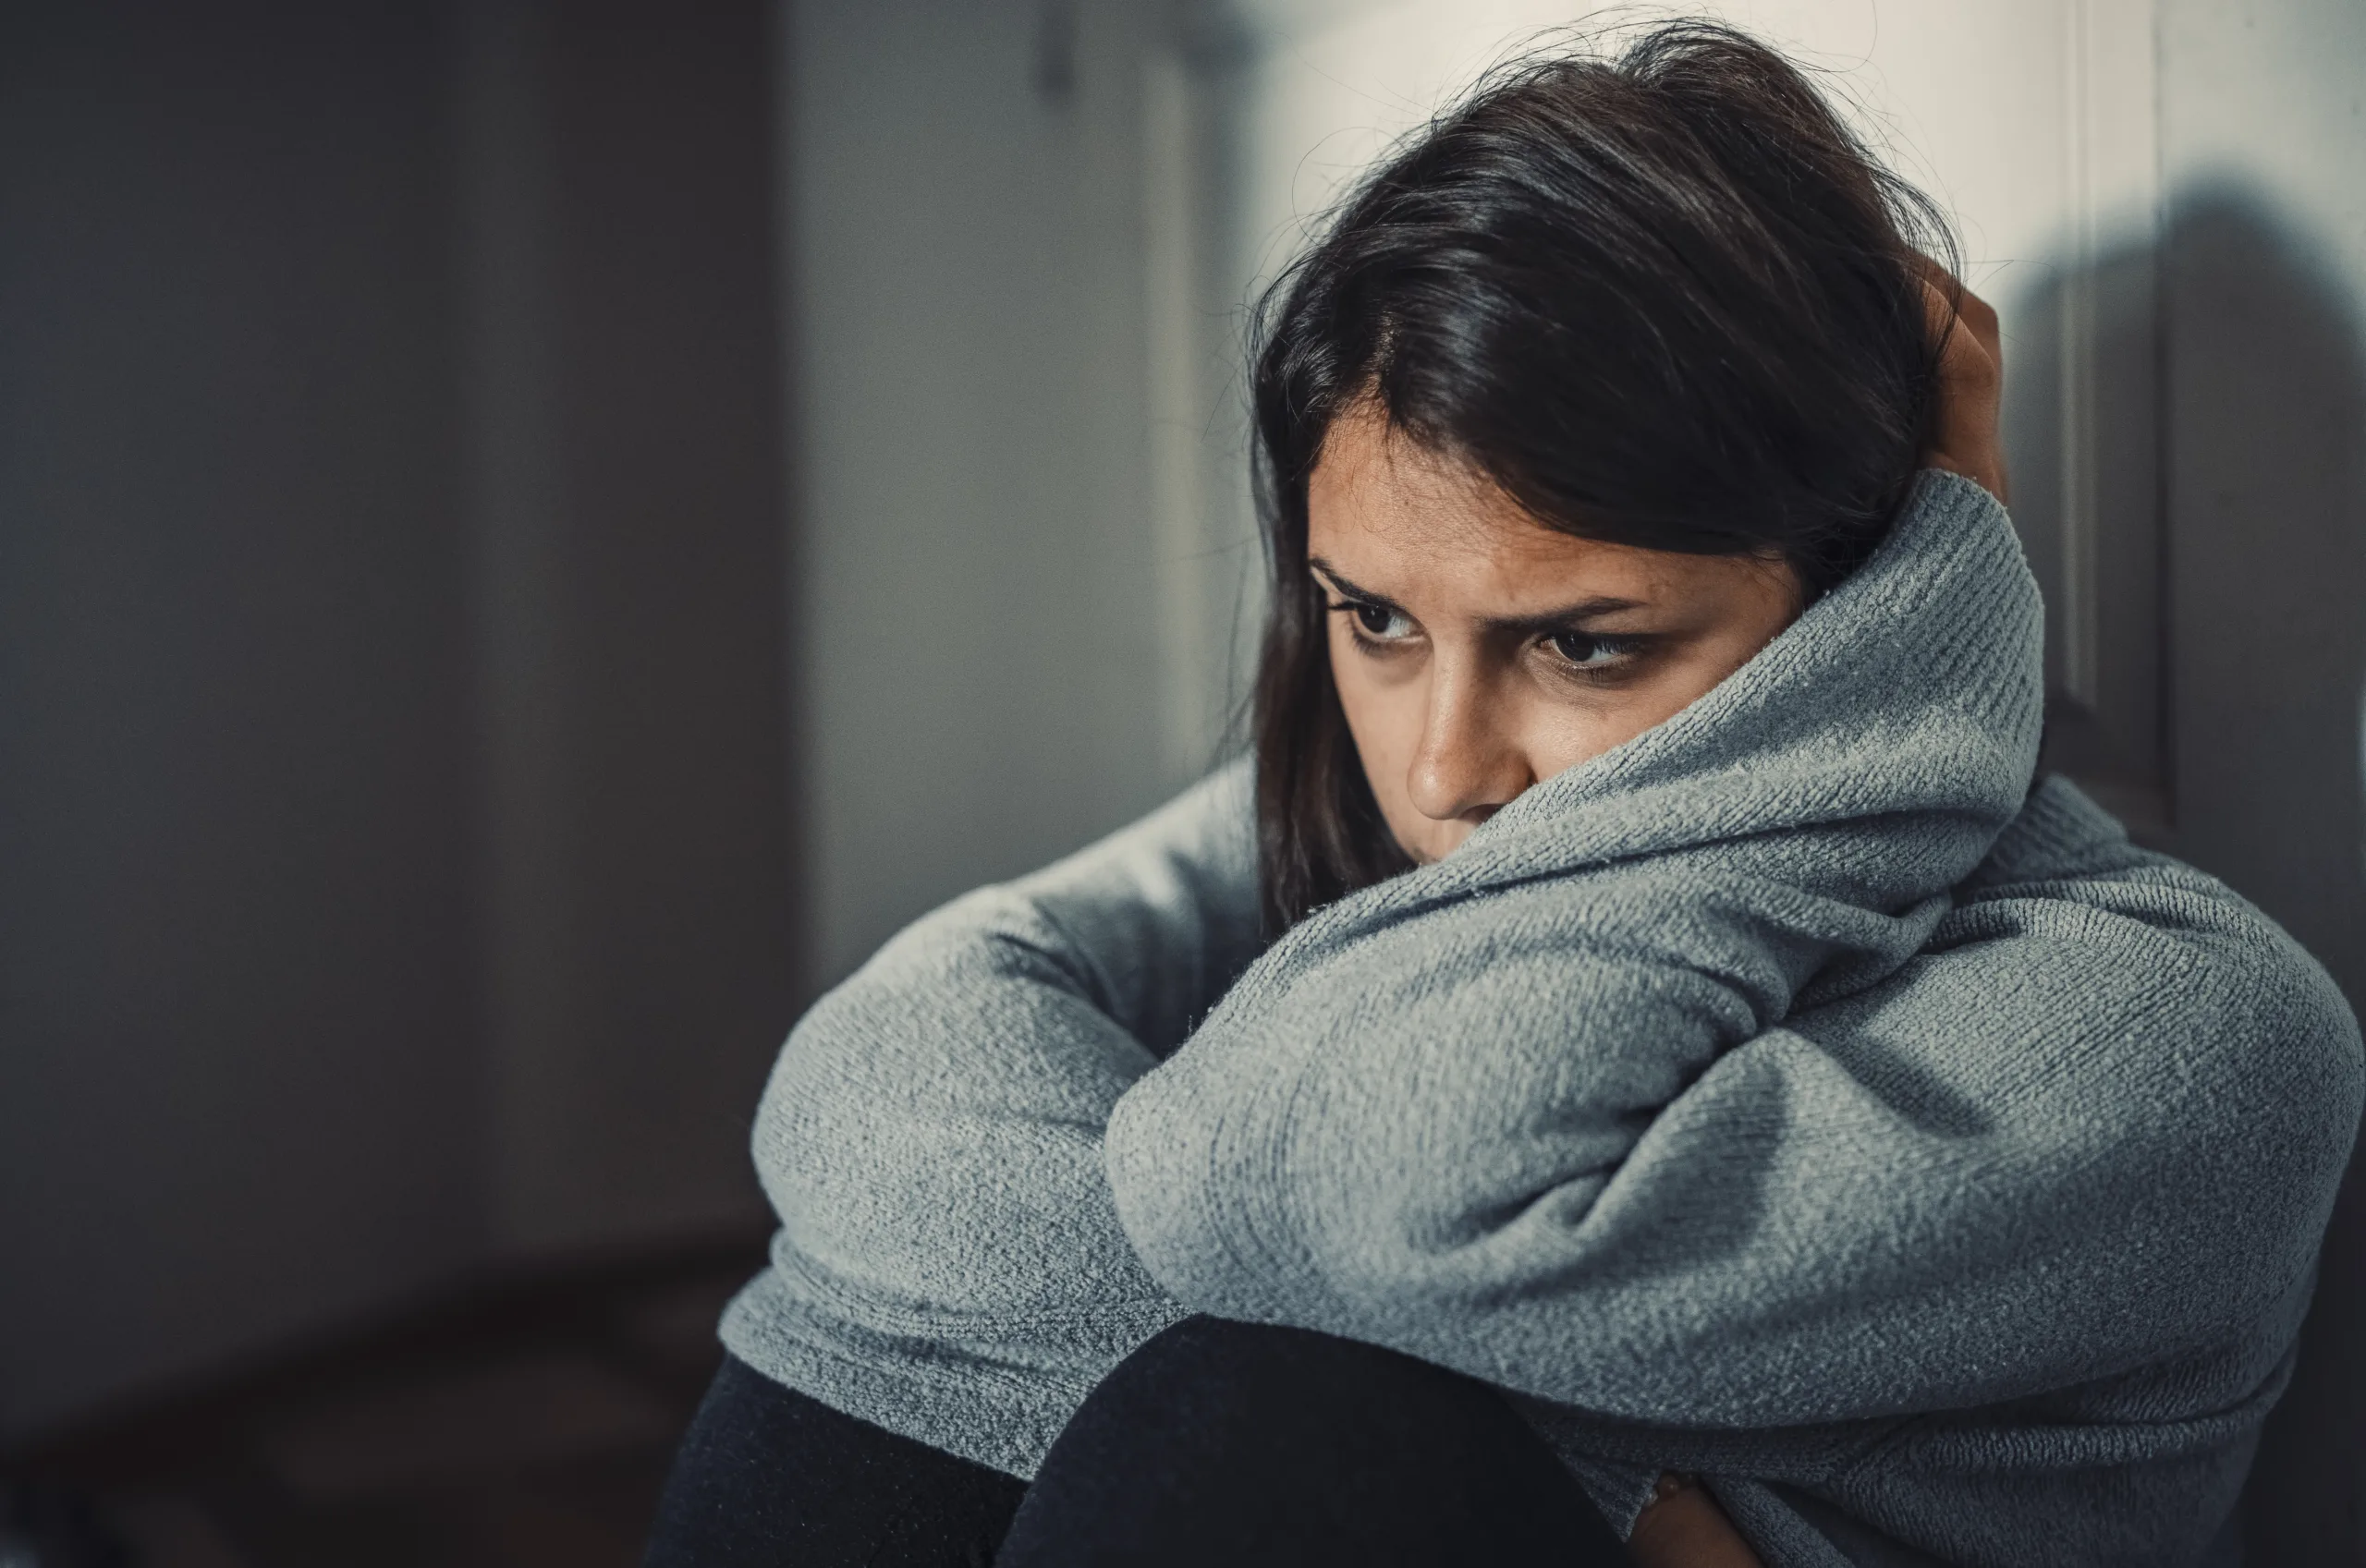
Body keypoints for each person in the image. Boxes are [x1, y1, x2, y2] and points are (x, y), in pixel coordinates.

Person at [646, 21, 2362, 1568]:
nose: (1447, 767)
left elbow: (1410, 1198)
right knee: (928, 1331)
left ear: (1871, 607)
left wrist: (1936, 618)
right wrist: (1620, 1494)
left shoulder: (2190, 1027)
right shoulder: (1372, 811)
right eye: (1377, 618)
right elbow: (888, 1069)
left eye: (1589, 648)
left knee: (1260, 1423)